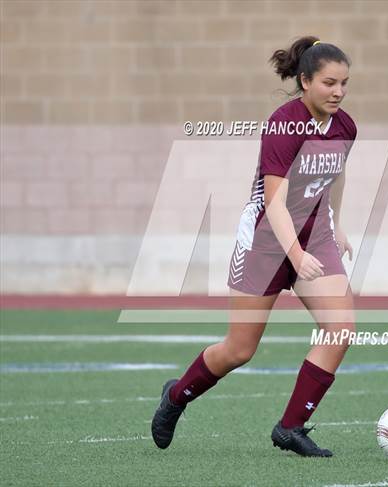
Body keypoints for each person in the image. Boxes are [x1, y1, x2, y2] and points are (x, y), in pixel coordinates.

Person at [151, 36, 357, 458]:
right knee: (239, 350)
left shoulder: (345, 126)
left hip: (314, 237)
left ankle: (290, 427)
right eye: (329, 83)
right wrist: (295, 256)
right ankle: (176, 396)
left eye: (344, 84)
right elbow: (274, 202)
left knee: (341, 329)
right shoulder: (284, 125)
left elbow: (336, 174)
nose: (338, 92)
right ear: (305, 81)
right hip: (265, 242)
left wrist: (337, 225)